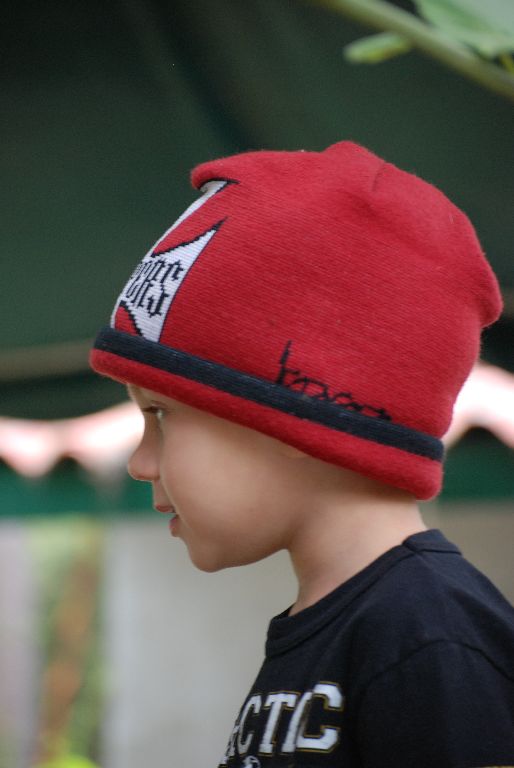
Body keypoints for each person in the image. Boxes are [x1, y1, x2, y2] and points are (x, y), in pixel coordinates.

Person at [89, 141, 514, 767]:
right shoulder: (359, 624)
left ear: (294, 420)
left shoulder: (430, 638)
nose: (139, 462)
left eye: (160, 414)